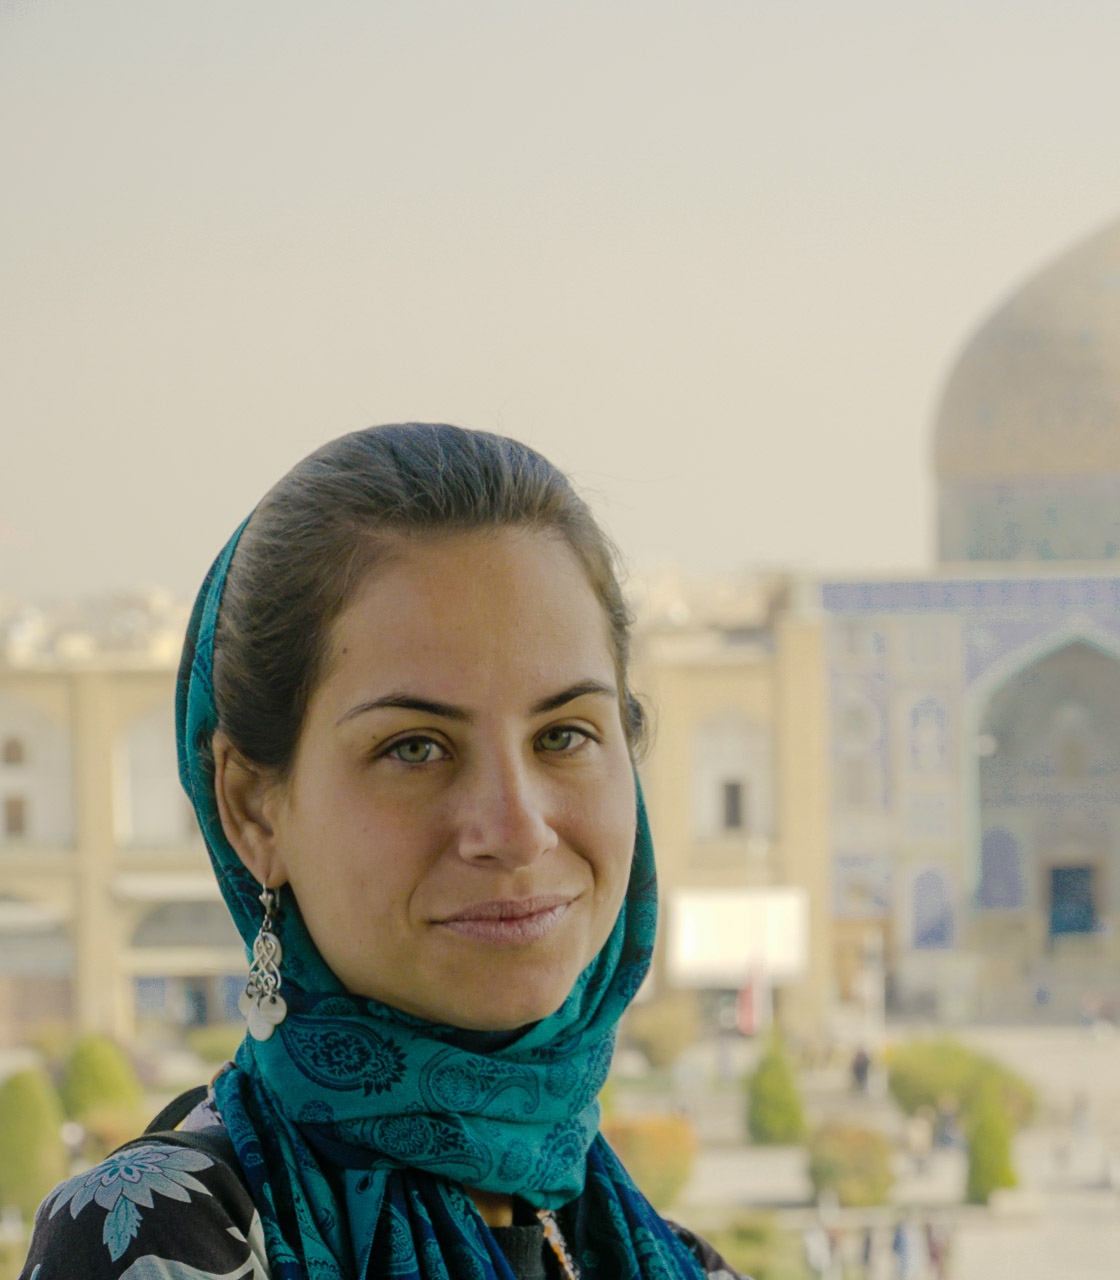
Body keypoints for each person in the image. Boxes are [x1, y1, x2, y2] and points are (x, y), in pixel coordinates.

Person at [19, 425, 738, 1278]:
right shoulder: (151, 1235)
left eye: (564, 735)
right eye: (416, 749)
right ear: (254, 809)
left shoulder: (657, 1255)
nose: (515, 830)